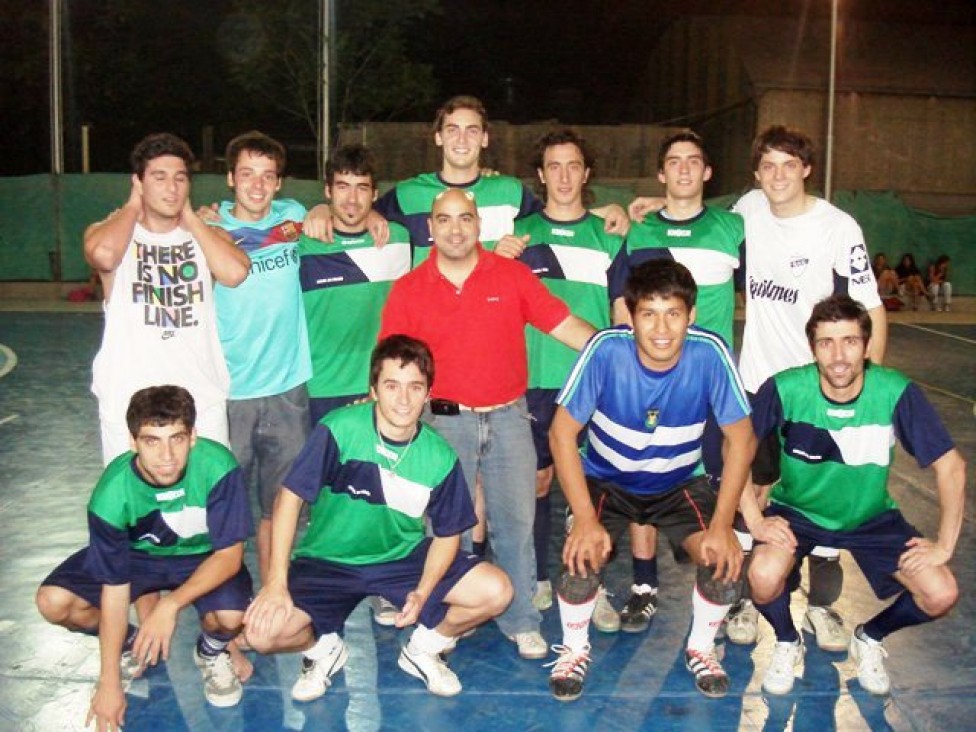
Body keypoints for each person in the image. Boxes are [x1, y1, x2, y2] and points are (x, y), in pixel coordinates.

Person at [379, 188, 597, 661]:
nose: (455, 229)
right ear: (430, 228)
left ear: (479, 225)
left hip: (509, 418)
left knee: (515, 525)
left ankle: (521, 620)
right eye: (444, 219)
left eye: (465, 218)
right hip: (443, 422)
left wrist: (620, 354)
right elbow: (392, 364)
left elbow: (564, 325)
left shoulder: (512, 276)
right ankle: (443, 615)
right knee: (444, 528)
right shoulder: (409, 289)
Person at [242, 335, 513, 699]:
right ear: (373, 391)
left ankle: (425, 649)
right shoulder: (339, 429)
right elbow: (289, 498)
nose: (403, 399)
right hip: (327, 561)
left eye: (414, 387)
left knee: (496, 590)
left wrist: (423, 590)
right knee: (263, 635)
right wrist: (275, 582)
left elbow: (449, 534)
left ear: (428, 394)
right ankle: (323, 651)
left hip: (399, 557)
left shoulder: (439, 457)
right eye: (391, 385)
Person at [546, 259, 756, 701]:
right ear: (629, 313)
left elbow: (742, 440)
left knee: (723, 561)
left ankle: (700, 648)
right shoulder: (605, 350)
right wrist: (584, 517)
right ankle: (575, 649)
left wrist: (722, 524)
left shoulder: (710, 352)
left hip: (679, 483)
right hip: (608, 480)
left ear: (691, 316)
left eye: (674, 313)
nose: (662, 328)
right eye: (648, 313)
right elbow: (561, 432)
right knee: (581, 556)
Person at [745, 294, 965, 696]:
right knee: (761, 575)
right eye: (826, 343)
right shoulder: (785, 388)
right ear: (812, 348)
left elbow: (951, 466)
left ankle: (870, 636)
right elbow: (734, 448)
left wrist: (945, 545)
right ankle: (785, 639)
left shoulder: (895, 392)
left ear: (866, 345)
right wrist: (755, 519)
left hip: (871, 518)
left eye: (849, 341)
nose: (839, 355)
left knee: (940, 592)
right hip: (799, 512)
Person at [36, 386, 254, 730]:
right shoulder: (111, 494)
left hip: (203, 557)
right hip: (137, 558)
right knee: (54, 602)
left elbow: (229, 557)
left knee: (232, 617)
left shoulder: (219, 467)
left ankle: (212, 651)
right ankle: (130, 644)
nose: (167, 455)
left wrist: (169, 607)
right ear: (133, 442)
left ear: (193, 436)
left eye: (177, 439)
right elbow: (115, 589)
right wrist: (108, 682)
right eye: (152, 441)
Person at [608, 129, 745, 634]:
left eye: (694, 161)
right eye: (674, 162)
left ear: (708, 173)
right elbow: (621, 305)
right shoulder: (638, 230)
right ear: (662, 174)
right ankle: (644, 586)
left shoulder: (735, 227)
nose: (684, 169)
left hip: (709, 385)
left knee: (719, 477)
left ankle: (718, 589)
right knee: (647, 477)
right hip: (651, 384)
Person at [85, 133, 250, 465]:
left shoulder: (208, 236)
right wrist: (133, 206)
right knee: (133, 507)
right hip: (127, 399)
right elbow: (103, 256)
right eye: (158, 178)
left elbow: (234, 272)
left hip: (200, 399)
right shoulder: (112, 233)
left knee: (205, 505)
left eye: (180, 178)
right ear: (139, 182)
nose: (171, 188)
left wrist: (190, 219)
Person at [514, 129, 626, 615]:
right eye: (553, 167)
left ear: (586, 173)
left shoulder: (610, 235)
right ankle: (540, 576)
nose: (563, 176)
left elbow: (622, 312)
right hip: (533, 381)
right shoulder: (518, 237)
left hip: (593, 384)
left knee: (593, 488)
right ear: (541, 175)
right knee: (538, 483)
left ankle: (588, 580)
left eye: (572, 165)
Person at [305, 94, 629, 261]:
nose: (462, 140)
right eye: (452, 130)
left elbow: (558, 214)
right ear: (438, 138)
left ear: (485, 139)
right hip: (431, 334)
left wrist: (607, 213)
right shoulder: (407, 194)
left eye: (472, 131)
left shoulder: (509, 192)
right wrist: (322, 210)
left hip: (490, 331)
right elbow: (356, 211)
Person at [211, 131, 312, 586]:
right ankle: (228, 602)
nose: (257, 185)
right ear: (230, 179)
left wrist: (327, 211)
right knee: (227, 508)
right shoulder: (209, 231)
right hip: (229, 393)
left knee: (281, 503)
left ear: (279, 183)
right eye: (247, 174)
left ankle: (276, 588)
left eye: (267, 176)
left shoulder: (293, 218)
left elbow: (329, 217)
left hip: (287, 389)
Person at [299, 144, 411, 427]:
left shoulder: (397, 239)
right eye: (342, 187)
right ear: (327, 191)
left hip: (377, 390)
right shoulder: (302, 242)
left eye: (362, 188)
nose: (352, 199)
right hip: (317, 390)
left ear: (375, 194)